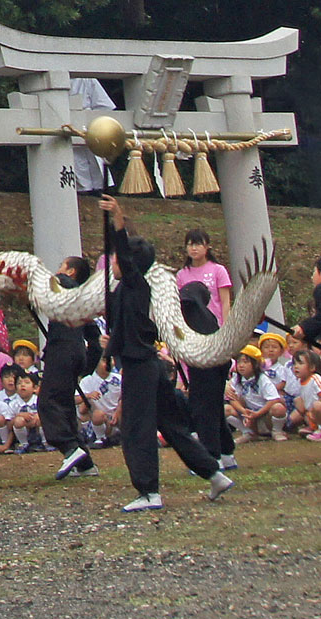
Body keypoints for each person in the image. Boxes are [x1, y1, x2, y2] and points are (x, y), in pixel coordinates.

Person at [99, 195, 233, 511]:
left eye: (117, 260)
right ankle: (213, 472)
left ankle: (149, 491)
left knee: (136, 429)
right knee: (171, 426)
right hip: (150, 366)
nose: (113, 264)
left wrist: (119, 220)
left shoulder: (138, 285)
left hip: (141, 366)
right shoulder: (126, 289)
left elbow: (128, 258)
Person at [36, 256, 102, 480]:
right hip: (75, 352)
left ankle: (70, 447)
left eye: (62, 266)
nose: (58, 270)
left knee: (48, 402)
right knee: (63, 405)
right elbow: (94, 335)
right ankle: (85, 464)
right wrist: (88, 364)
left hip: (61, 351)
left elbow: (45, 285)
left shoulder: (63, 283)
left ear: (71, 272)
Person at [178, 282, 236, 471]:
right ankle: (226, 452)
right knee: (215, 410)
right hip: (214, 368)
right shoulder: (207, 317)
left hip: (205, 369)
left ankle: (212, 456)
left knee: (204, 412)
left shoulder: (193, 316)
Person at [225, 345, 287, 443]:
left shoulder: (263, 379)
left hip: (265, 415)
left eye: (246, 362)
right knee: (226, 409)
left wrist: (257, 414)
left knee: (278, 408)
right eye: (239, 362)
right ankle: (248, 432)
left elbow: (274, 399)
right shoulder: (237, 379)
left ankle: (277, 431)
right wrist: (244, 411)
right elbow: (231, 397)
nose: (241, 365)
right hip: (249, 415)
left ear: (256, 364)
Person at [176, 228, 232, 325]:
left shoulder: (218, 270)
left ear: (207, 247)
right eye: (190, 245)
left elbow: (225, 303)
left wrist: (226, 327)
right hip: (191, 329)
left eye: (198, 244)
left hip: (216, 326)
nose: (194, 248)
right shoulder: (181, 275)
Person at [77, 354, 122, 450]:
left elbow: (126, 397)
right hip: (100, 420)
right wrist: (88, 395)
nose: (109, 363)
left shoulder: (119, 379)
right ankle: (100, 438)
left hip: (116, 417)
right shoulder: (87, 380)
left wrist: (117, 411)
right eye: (104, 361)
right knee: (98, 414)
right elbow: (74, 399)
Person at [291, 349, 321, 441]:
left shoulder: (315, 379)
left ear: (312, 367)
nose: (296, 367)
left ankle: (319, 430)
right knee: (298, 401)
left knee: (317, 405)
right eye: (295, 364)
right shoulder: (301, 381)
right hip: (312, 413)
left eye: (300, 363)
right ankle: (313, 427)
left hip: (317, 410)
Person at [0, 365, 21, 453]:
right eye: (6, 377)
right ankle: (4, 443)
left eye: (13, 377)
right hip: (3, 427)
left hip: (17, 425)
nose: (10, 380)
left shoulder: (22, 394)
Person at [11, 371, 41, 454]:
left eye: (27, 382)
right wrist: (19, 415)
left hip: (38, 429)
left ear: (34, 388)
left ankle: (46, 443)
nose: (22, 385)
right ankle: (24, 444)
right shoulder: (13, 404)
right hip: (24, 431)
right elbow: (9, 423)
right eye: (19, 383)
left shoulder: (39, 400)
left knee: (42, 418)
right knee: (18, 421)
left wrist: (38, 416)